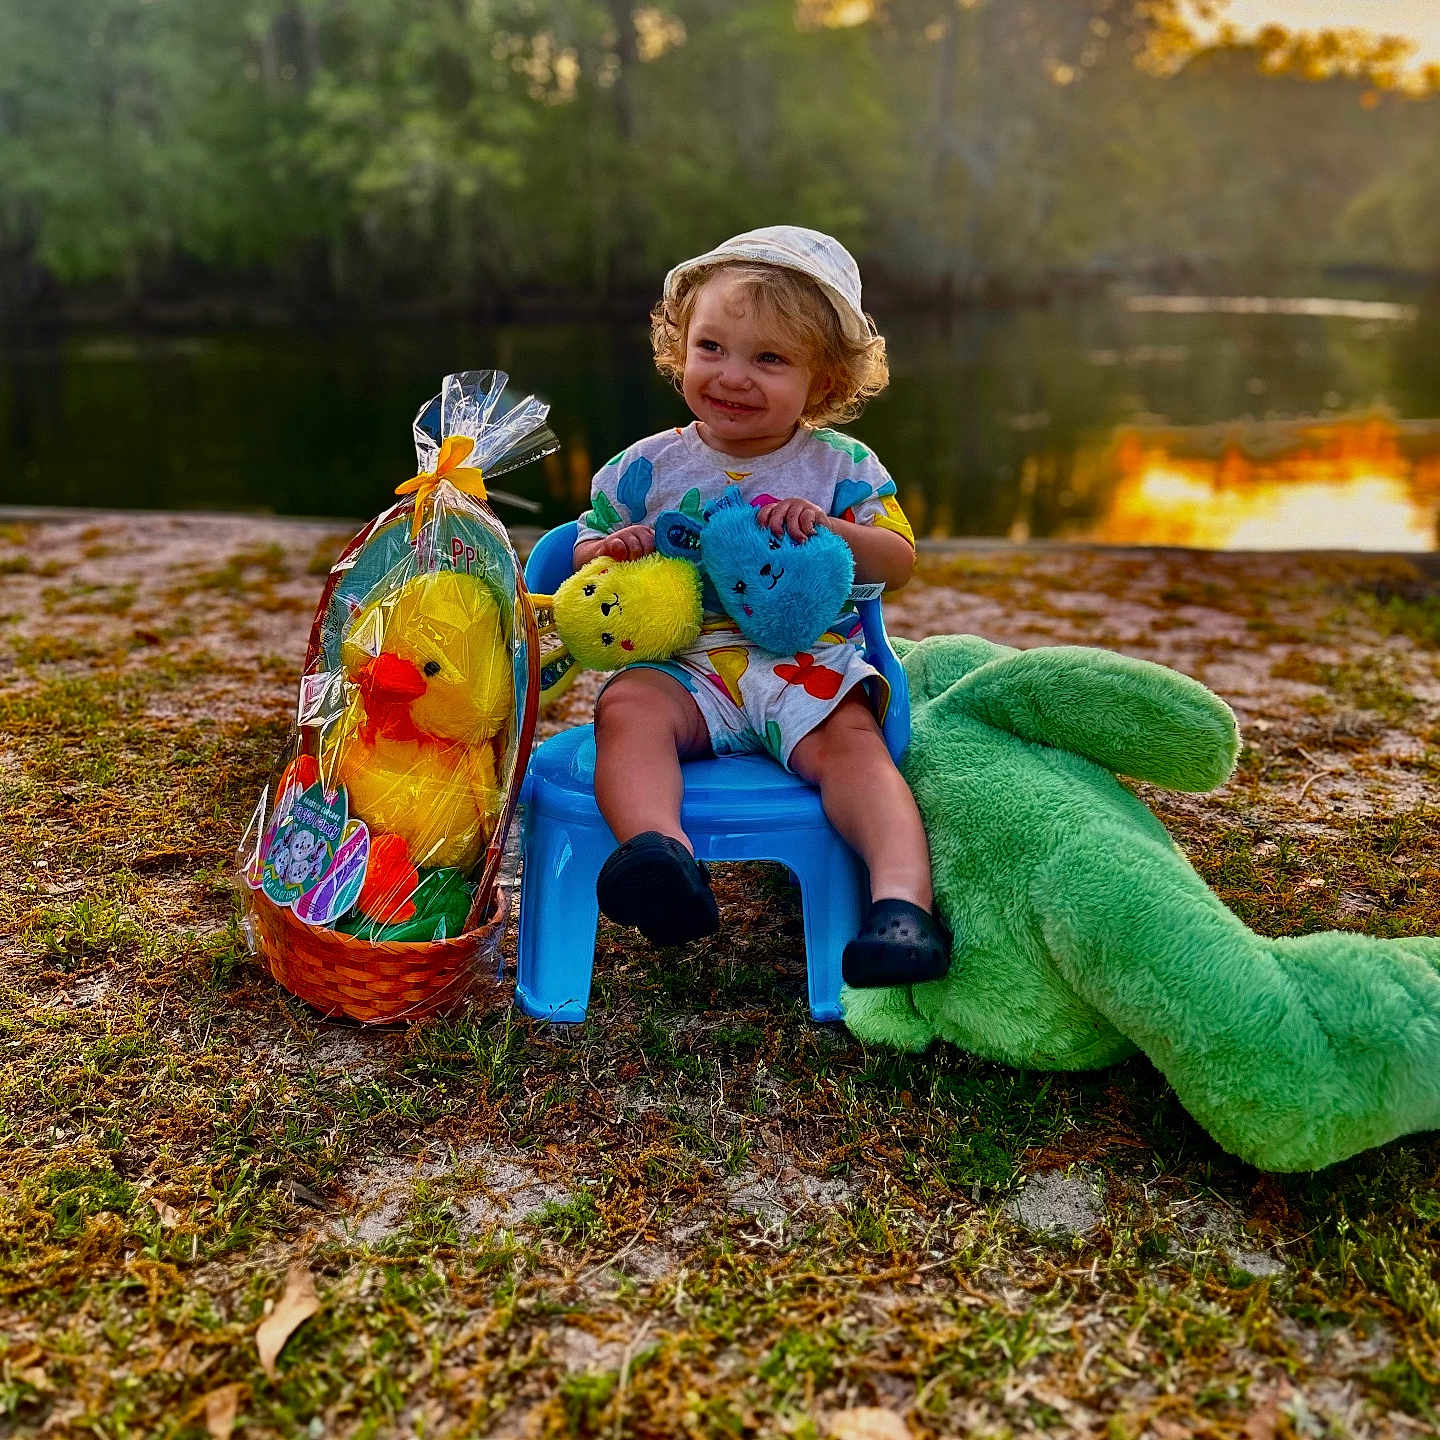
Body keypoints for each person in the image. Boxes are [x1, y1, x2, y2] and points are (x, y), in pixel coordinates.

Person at [571, 225, 950, 987]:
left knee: (856, 747)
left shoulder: (840, 466)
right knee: (626, 709)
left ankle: (902, 908)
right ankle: (661, 859)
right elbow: (581, 553)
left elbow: (898, 560)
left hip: (805, 662)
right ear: (681, 347)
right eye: (711, 347)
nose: (732, 376)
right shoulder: (644, 467)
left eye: (769, 359)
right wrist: (614, 550)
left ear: (825, 380)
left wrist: (831, 528)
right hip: (686, 665)